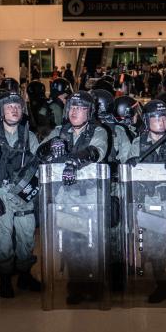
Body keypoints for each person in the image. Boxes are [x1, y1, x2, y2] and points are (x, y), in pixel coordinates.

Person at [35, 91, 109, 306]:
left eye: (81, 108)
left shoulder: (99, 131)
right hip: (65, 198)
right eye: (72, 108)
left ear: (90, 111)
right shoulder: (60, 131)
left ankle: (94, 285)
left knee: (91, 244)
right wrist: (50, 146)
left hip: (90, 198)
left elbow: (98, 150)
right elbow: (39, 153)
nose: (75, 112)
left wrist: (74, 162)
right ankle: (74, 286)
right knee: (69, 244)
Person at [119, 99, 166, 304]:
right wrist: (132, 163)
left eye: (164, 117)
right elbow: (126, 164)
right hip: (148, 201)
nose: (161, 122)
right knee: (154, 247)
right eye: (156, 118)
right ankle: (161, 285)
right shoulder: (138, 141)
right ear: (147, 121)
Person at [0, 90, 42, 299]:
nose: (14, 109)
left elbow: (38, 163)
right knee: (2, 238)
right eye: (9, 106)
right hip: (0, 191)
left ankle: (25, 275)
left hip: (23, 192)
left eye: (17, 106)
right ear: (1, 111)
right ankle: (6, 278)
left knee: (27, 235)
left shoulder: (29, 135)